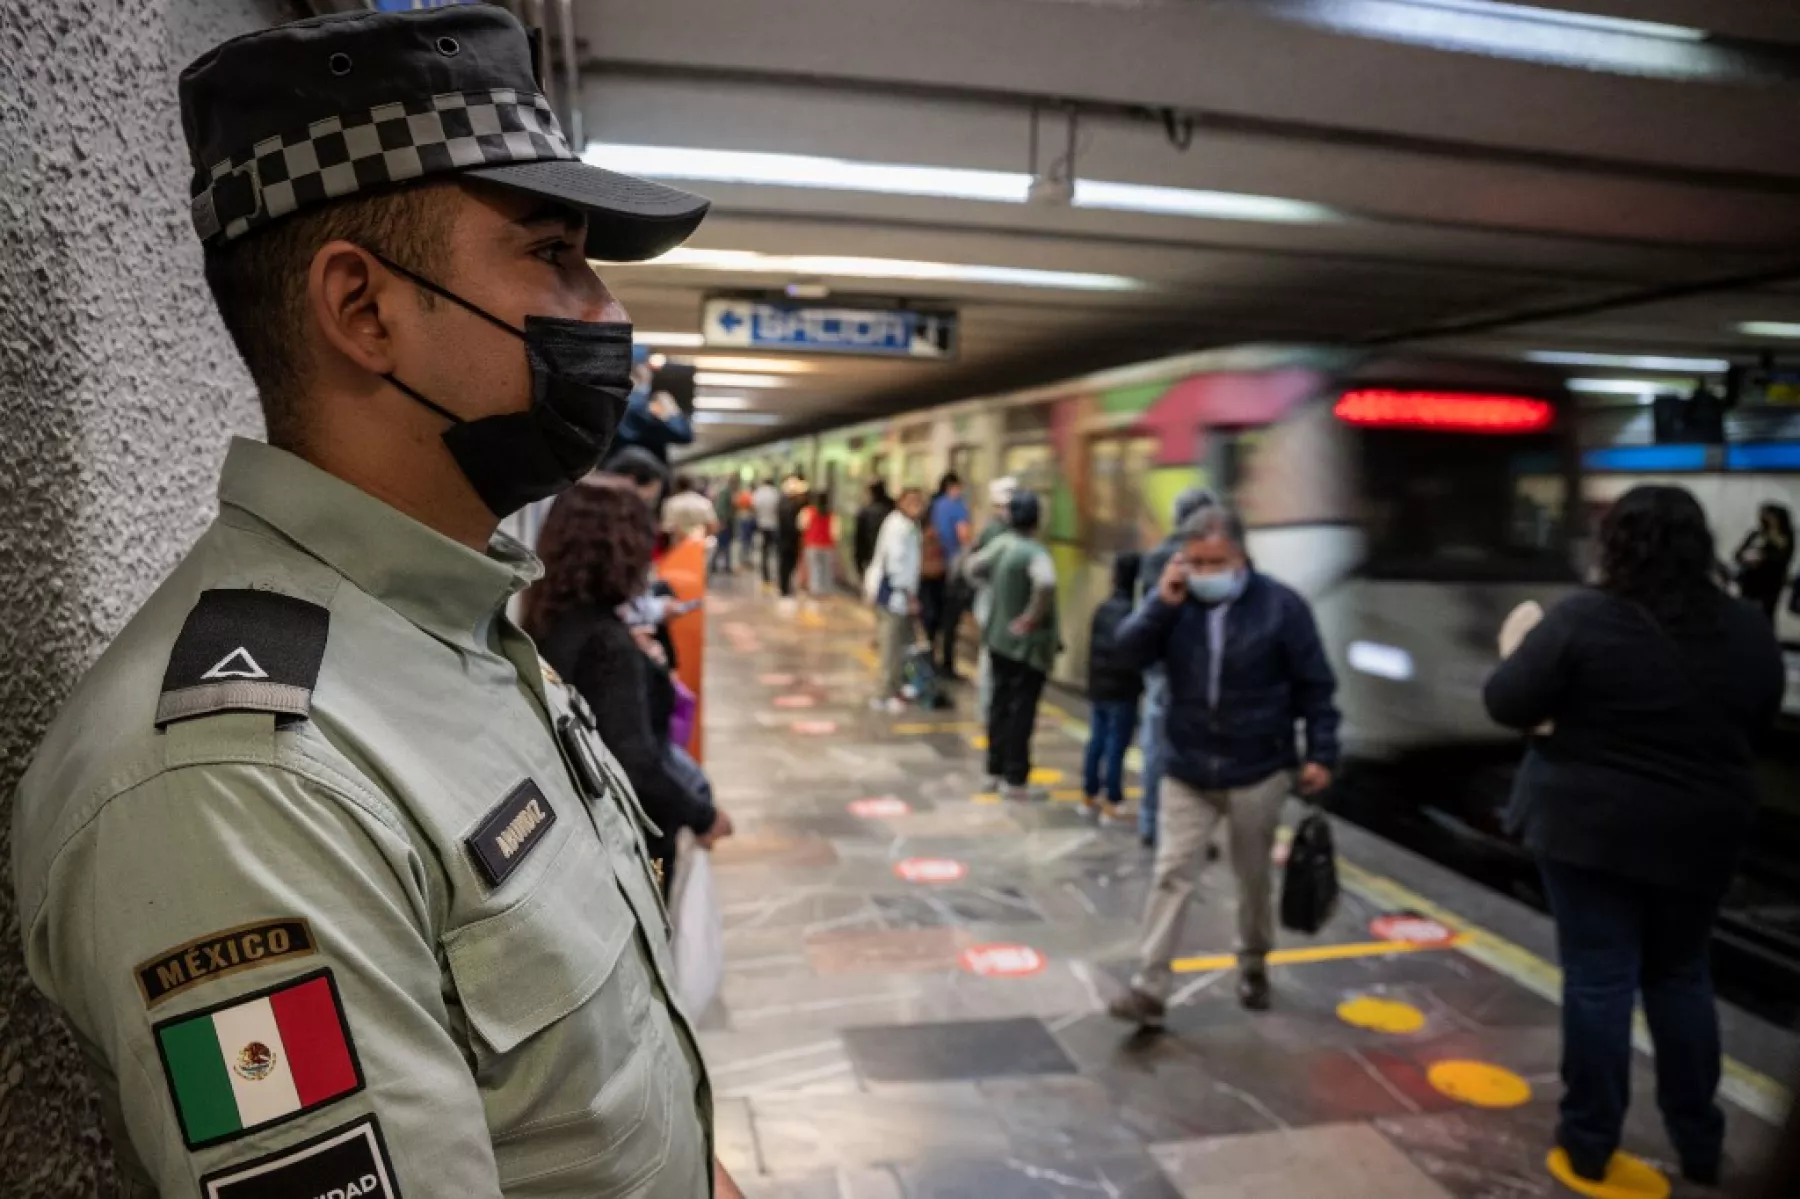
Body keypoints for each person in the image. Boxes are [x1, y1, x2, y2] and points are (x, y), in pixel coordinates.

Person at [8, 8, 742, 1198]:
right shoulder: (240, 788)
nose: (609, 316)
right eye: (554, 254)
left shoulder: (451, 625)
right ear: (363, 309)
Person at [1483, 484, 1783, 1190]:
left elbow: (1506, 701)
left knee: (1599, 978)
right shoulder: (1745, 626)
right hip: (1700, 833)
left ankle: (1590, 1138)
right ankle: (1699, 1141)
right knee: (1680, 976)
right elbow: (1760, 716)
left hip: (1589, 831)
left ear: (1615, 543)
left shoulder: (1585, 619)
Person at [1108, 503, 1339, 1023]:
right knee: (1172, 872)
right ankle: (1149, 986)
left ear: (1240, 557)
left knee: (1252, 876)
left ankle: (1253, 961)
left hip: (1258, 767)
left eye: (1215, 563)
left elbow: (1315, 686)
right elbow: (1123, 654)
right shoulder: (1176, 604)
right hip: (1187, 765)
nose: (1204, 574)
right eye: (1194, 562)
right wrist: (1159, 606)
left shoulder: (1282, 608)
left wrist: (1322, 752)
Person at [524, 476, 733, 893]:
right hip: (637, 845)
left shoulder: (553, 618)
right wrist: (703, 815)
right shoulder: (606, 643)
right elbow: (633, 762)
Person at [1134, 487, 1217, 848]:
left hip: (1160, 668)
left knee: (1156, 747)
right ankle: (1198, 832)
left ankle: (1151, 822)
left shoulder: (1155, 558)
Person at [967, 491, 1060, 800]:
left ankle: (993, 770)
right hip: (1027, 648)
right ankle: (1015, 778)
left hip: (997, 640)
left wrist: (991, 594)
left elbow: (972, 568)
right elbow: (1045, 583)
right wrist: (1031, 618)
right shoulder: (1034, 553)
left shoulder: (1001, 545)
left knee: (999, 705)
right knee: (1022, 711)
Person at [1083, 553, 1144, 824]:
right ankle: (1113, 797)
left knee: (1096, 739)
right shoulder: (1135, 612)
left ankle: (1089, 793)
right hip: (1123, 690)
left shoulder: (1101, 609)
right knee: (1116, 745)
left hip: (1099, 687)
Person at [963, 475, 1018, 724]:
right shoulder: (999, 533)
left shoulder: (992, 529)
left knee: (992, 659)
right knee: (991, 660)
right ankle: (989, 711)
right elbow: (975, 568)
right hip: (994, 604)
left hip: (992, 603)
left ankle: (992, 710)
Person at [865, 487, 926, 712]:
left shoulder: (907, 525)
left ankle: (899, 687)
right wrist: (908, 595)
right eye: (910, 501)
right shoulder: (897, 526)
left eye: (919, 501)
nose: (915, 506)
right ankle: (884, 694)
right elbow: (895, 565)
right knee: (890, 648)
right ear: (900, 502)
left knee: (903, 646)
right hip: (893, 596)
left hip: (901, 595)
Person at [613, 345, 695, 463]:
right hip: (643, 475)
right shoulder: (644, 406)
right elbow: (683, 435)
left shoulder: (609, 403)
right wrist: (672, 411)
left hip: (611, 472)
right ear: (639, 369)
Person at [926, 472, 973, 678]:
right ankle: (947, 663)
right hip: (952, 570)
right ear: (953, 486)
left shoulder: (935, 505)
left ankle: (929, 658)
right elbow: (963, 535)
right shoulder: (957, 506)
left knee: (933, 617)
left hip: (933, 569)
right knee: (951, 620)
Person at [1732, 502, 1794, 623]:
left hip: (1771, 583)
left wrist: (1762, 558)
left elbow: (1783, 558)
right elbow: (1737, 554)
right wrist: (1745, 557)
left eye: (1768, 516)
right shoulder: (1756, 534)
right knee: (1746, 614)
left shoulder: (1785, 537)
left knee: (1766, 616)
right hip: (1750, 581)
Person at [854, 479, 896, 579]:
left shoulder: (866, 512)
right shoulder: (893, 509)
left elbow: (859, 540)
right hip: (891, 558)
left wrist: (858, 563)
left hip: (872, 558)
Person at [801, 490, 837, 600]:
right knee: (826, 569)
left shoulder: (808, 511)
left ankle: (815, 590)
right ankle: (826, 590)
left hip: (811, 544)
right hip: (827, 545)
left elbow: (802, 526)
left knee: (814, 568)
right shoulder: (831, 514)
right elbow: (835, 532)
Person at [776, 476, 808, 600]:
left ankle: (785, 587)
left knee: (785, 564)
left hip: (785, 540)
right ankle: (784, 587)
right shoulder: (790, 507)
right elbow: (792, 526)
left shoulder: (784, 503)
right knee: (787, 564)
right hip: (788, 541)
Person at [660, 472, 716, 544]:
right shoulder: (704, 502)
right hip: (701, 546)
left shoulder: (671, 503)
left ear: (677, 485)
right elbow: (712, 525)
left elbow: (667, 528)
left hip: (679, 546)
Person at [753, 475, 781, 586]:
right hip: (774, 525)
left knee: (764, 552)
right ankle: (776, 575)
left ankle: (766, 577)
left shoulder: (759, 493)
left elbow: (754, 507)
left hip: (762, 525)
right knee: (776, 552)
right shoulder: (775, 493)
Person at [712, 476, 738, 572]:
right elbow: (721, 508)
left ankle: (724, 565)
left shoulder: (729, 492)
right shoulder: (725, 493)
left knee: (725, 545)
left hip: (728, 522)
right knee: (722, 544)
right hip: (725, 522)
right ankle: (714, 565)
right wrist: (723, 521)